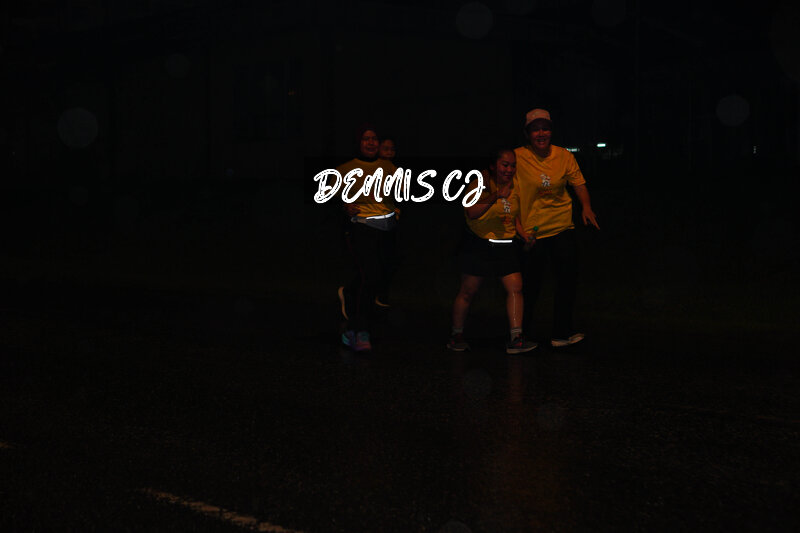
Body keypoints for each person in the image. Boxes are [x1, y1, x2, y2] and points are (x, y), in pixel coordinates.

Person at [514, 108, 600, 347]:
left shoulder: (564, 156)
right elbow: (501, 180)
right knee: (530, 285)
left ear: (551, 131)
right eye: (535, 130)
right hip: (532, 231)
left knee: (567, 281)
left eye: (545, 128)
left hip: (562, 227)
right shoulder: (518, 157)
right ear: (527, 134)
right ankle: (521, 334)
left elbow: (578, 183)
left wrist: (586, 207)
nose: (541, 133)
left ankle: (561, 333)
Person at [447, 148, 538, 355]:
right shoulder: (480, 184)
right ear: (493, 166)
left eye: (513, 165)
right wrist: (496, 195)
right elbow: (471, 212)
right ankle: (456, 335)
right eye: (505, 165)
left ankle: (516, 338)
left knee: (516, 288)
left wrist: (523, 234)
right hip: (479, 244)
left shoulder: (515, 186)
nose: (509, 169)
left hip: (505, 245)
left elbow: (513, 215)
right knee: (468, 291)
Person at [337, 124, 399, 352]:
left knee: (374, 277)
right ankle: (360, 331)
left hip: (385, 230)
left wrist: (396, 212)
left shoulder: (389, 167)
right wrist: (344, 205)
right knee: (371, 275)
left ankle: (350, 304)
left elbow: (397, 196)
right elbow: (332, 196)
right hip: (361, 228)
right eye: (366, 138)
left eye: (374, 138)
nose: (371, 142)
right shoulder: (346, 169)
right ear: (358, 142)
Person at [373, 135, 399, 308]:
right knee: (375, 259)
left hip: (389, 220)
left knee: (388, 259)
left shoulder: (393, 169)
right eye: (385, 149)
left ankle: (381, 295)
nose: (389, 152)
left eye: (392, 149)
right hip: (372, 220)